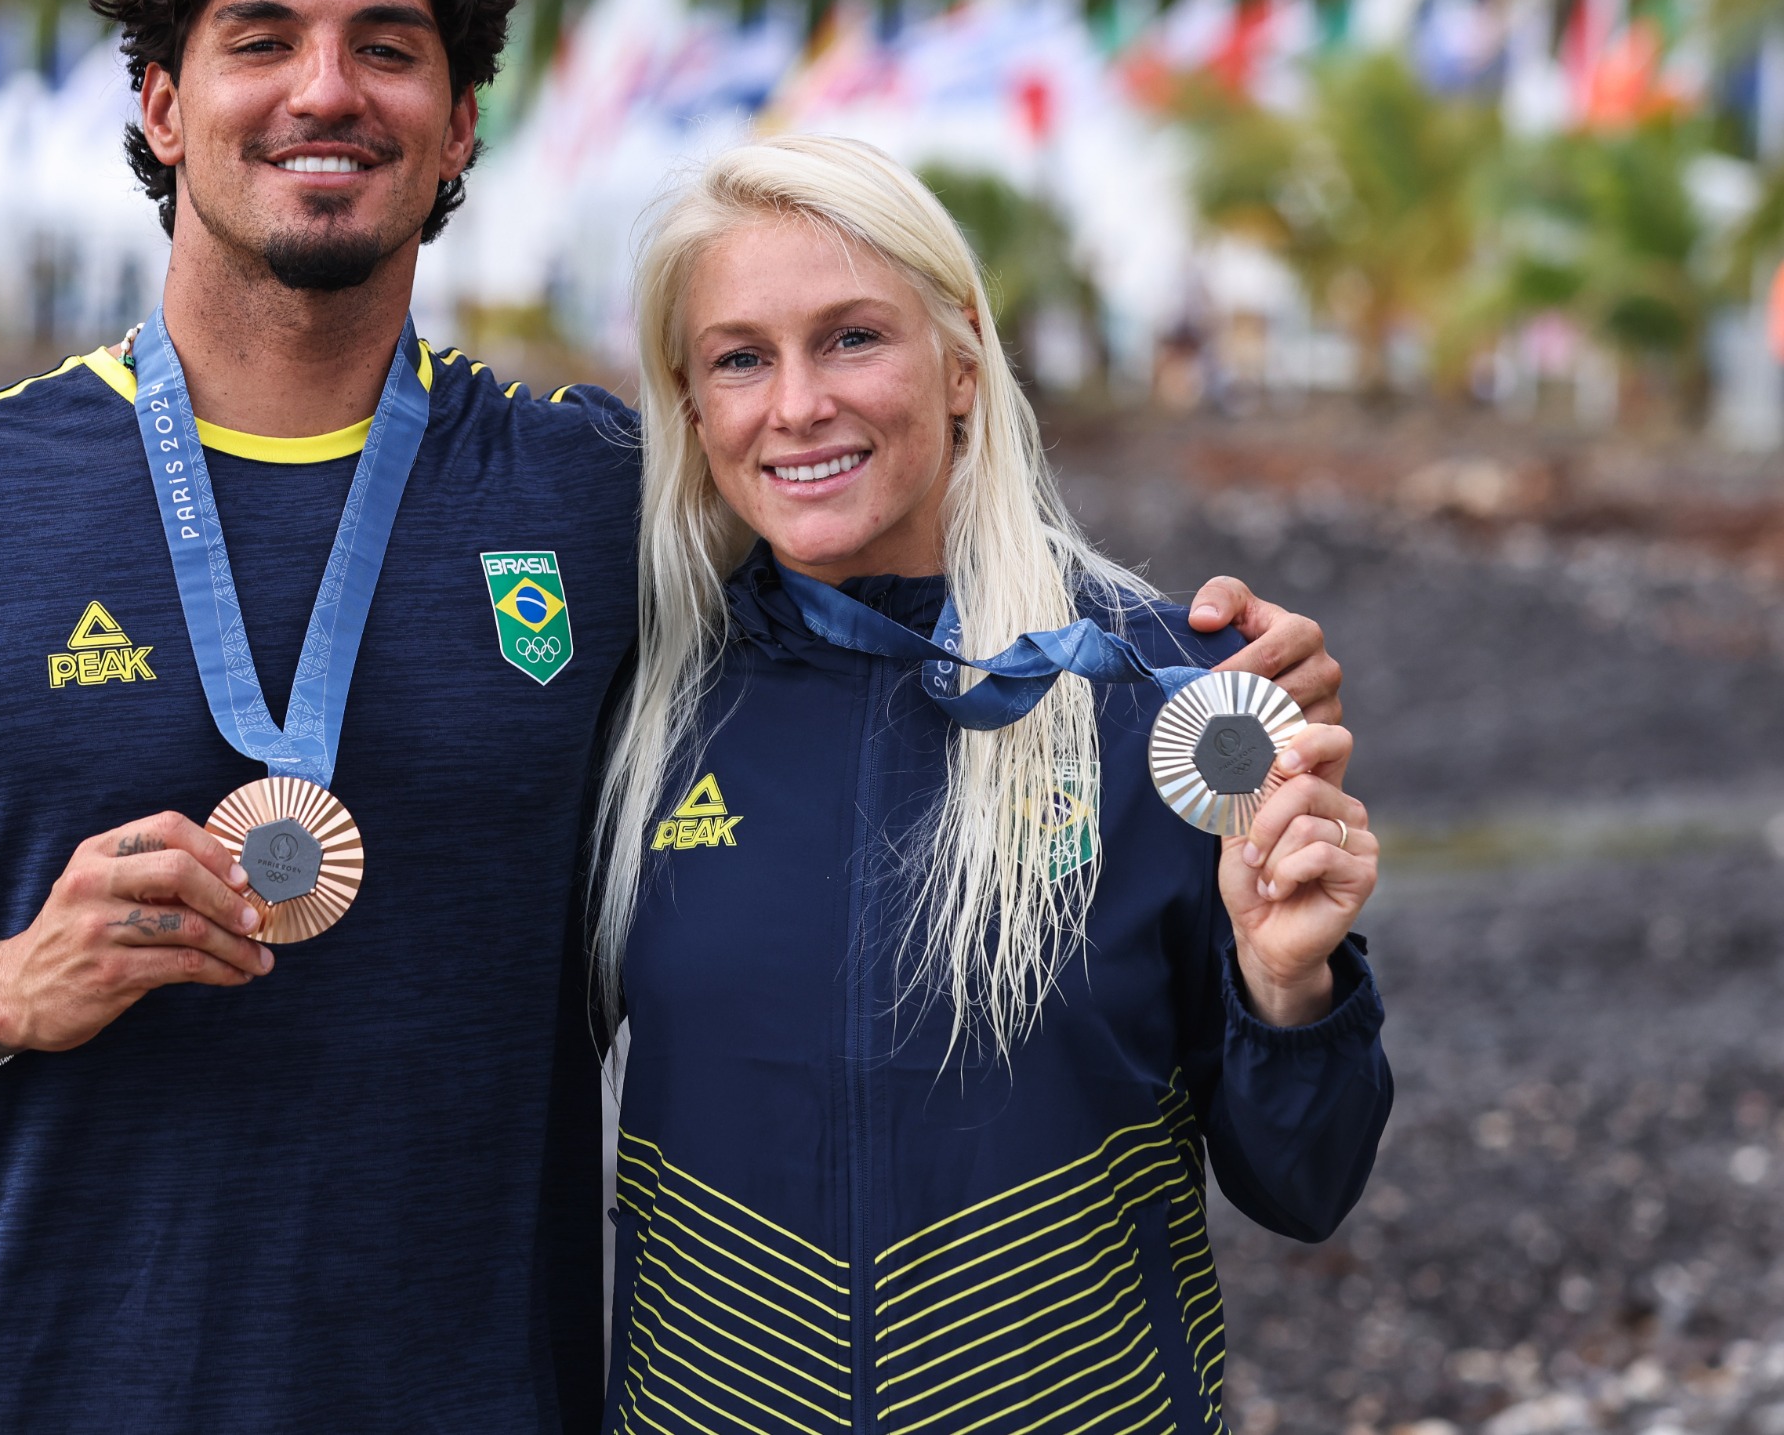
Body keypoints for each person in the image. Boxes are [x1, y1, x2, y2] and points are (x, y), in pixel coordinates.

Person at [0, 0, 1346, 1434]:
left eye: (389, 47)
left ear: (460, 127)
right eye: (260, 40)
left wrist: (1196, 680)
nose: (328, 88)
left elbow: (881, 542)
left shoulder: (597, 500)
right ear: (161, 102)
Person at [594, 134, 1391, 1435]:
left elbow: (1306, 1183)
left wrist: (1290, 987)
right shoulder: (640, 711)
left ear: (962, 360)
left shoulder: (1160, 695)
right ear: (690, 403)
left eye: (853, 338)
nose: (796, 405)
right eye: (740, 356)